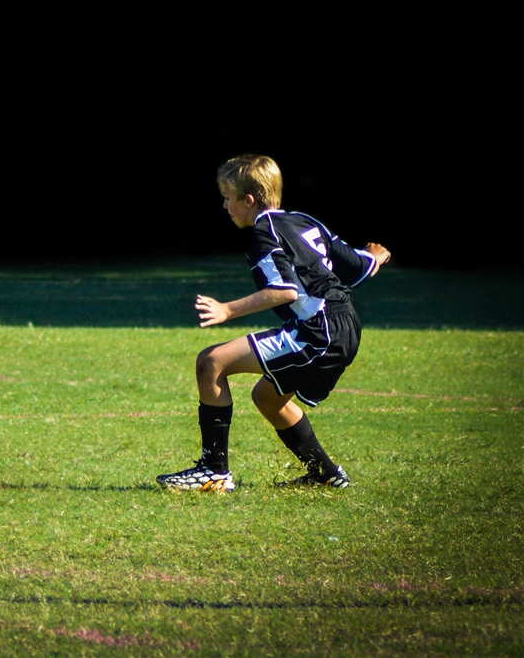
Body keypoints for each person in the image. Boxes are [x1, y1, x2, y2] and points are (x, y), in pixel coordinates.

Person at [157, 155, 390, 492]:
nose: (224, 205)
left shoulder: (264, 232)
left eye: (227, 197)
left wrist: (227, 310)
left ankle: (214, 471)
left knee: (211, 362)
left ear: (249, 200)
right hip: (344, 324)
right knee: (267, 397)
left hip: (319, 330)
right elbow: (357, 267)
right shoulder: (304, 222)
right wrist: (375, 256)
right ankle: (326, 474)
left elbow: (284, 291)